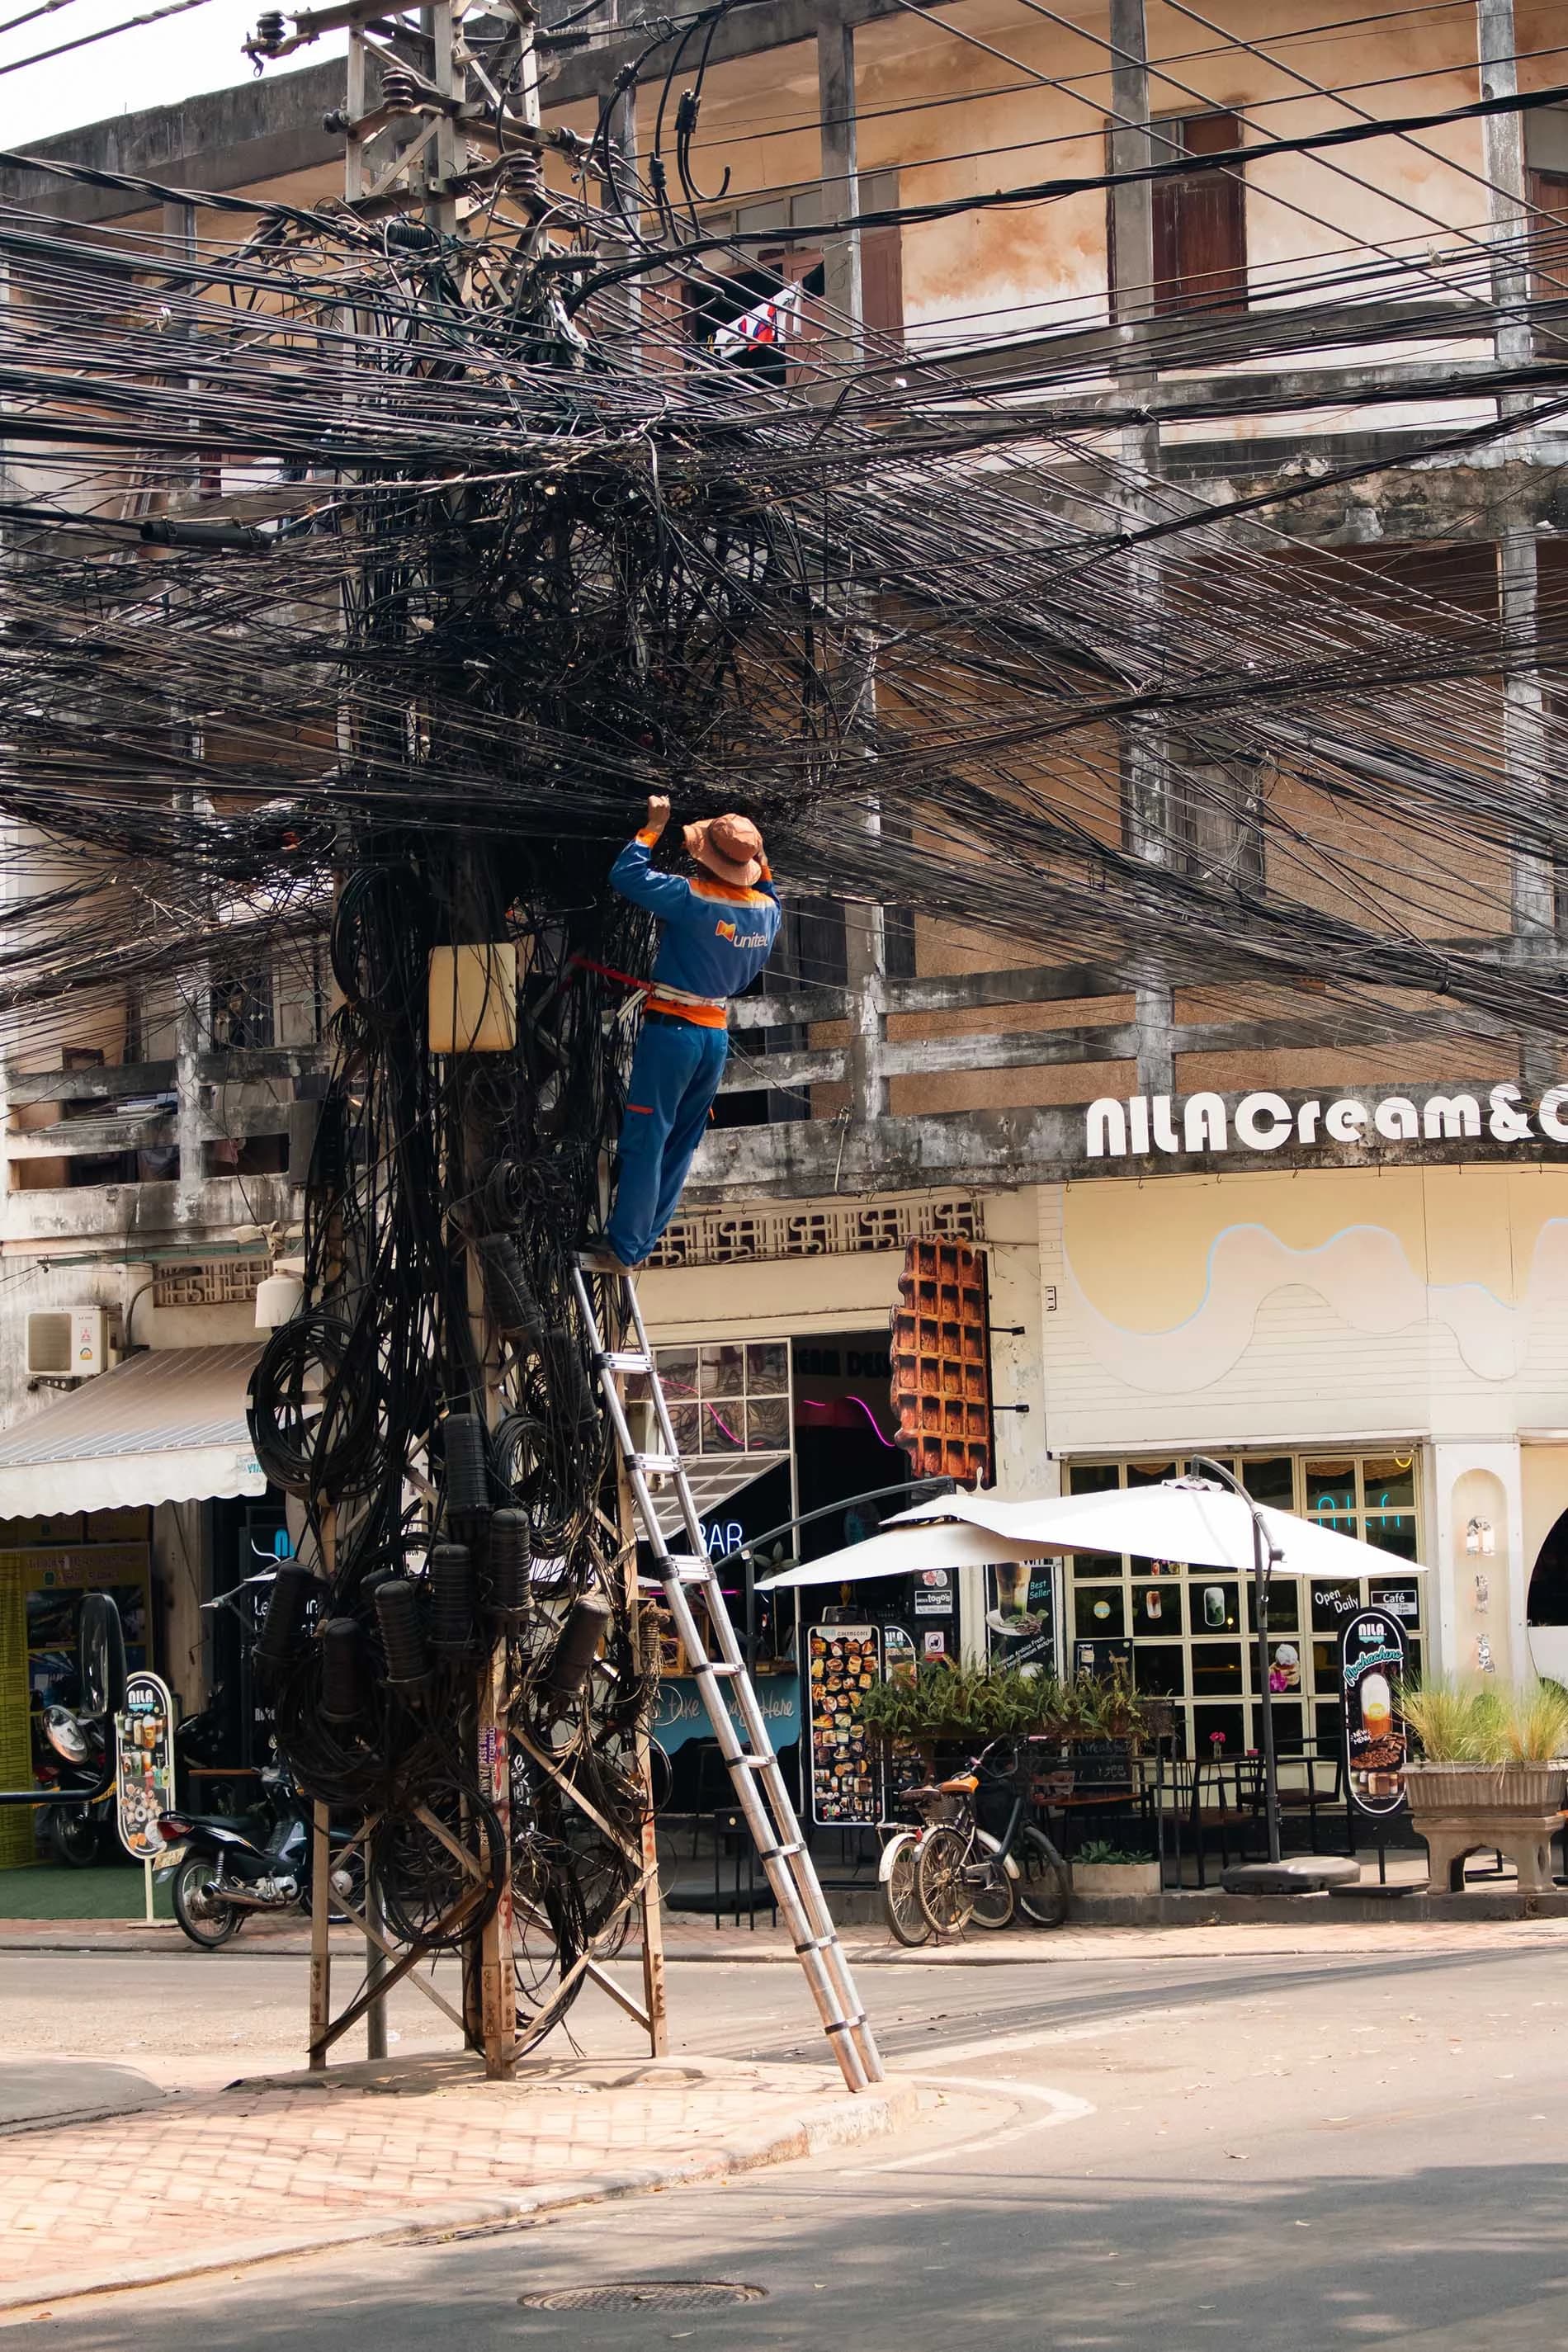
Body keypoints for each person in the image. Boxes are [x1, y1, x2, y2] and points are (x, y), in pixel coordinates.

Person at [593, 793, 781, 1272]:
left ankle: (626, 1245)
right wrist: (758, 858)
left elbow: (625, 876)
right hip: (715, 1036)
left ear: (709, 861)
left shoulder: (692, 897)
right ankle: (640, 1242)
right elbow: (771, 889)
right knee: (680, 1143)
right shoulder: (767, 913)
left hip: (673, 1031)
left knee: (646, 1138)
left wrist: (652, 828)